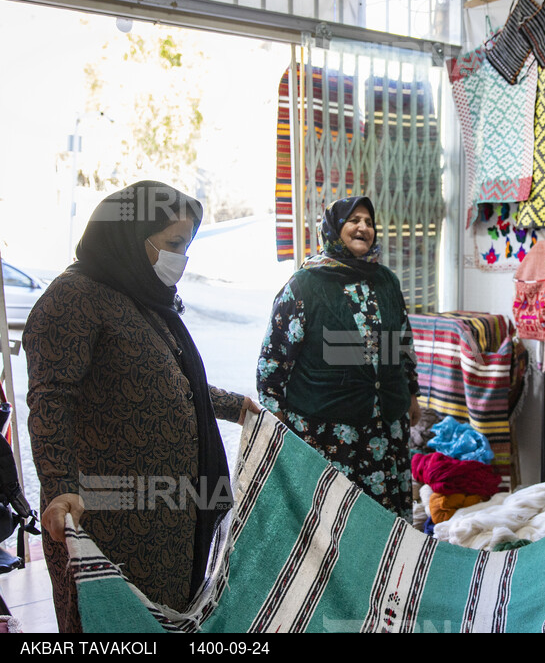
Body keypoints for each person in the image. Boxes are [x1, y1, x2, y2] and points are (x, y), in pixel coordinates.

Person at [23, 180, 260, 633]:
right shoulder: (74, 298)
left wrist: (235, 406)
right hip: (108, 518)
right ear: (131, 236)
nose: (181, 259)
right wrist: (58, 487)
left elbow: (168, 383)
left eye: (187, 246)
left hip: (165, 518)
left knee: (162, 619)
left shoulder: (145, 301)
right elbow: (50, 398)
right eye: (173, 244)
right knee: (114, 626)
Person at [257, 196, 421, 521]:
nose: (363, 227)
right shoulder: (304, 285)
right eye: (354, 220)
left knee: (386, 524)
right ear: (334, 228)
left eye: (369, 222)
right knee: (340, 525)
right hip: (330, 436)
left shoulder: (386, 281)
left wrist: (411, 392)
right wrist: (281, 429)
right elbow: (272, 367)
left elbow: (402, 340)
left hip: (386, 430)